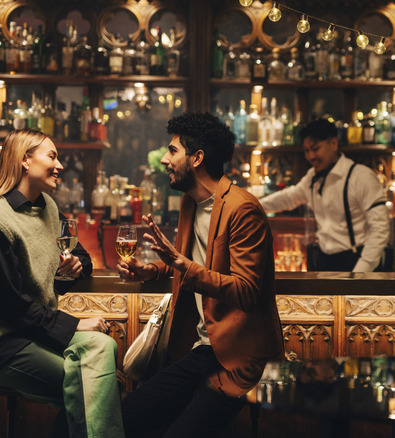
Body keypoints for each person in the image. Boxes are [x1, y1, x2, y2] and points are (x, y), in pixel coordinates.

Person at [0, 129, 124, 437]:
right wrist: (73, 325)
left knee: (104, 346)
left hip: (28, 332)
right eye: (52, 156)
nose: (59, 166)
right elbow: (11, 305)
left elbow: (79, 253)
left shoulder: (47, 207)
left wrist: (74, 266)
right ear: (25, 160)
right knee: (93, 384)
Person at [117, 112, 284, 437]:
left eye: (172, 150)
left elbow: (247, 291)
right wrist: (150, 269)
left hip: (236, 356)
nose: (164, 159)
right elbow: (188, 261)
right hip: (198, 348)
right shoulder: (191, 202)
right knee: (126, 416)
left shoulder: (242, 209)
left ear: (197, 158)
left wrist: (182, 265)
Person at [258, 118, 390, 272]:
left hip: (356, 261)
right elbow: (289, 197)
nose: (310, 156)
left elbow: (380, 230)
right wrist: (252, 204)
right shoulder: (312, 177)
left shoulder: (361, 176)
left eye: (315, 148)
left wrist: (360, 273)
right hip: (323, 262)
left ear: (333, 144)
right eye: (306, 151)